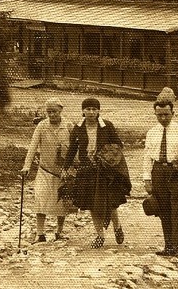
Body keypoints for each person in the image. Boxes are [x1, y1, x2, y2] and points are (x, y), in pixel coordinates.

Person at [64, 98, 131, 248]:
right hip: (86, 171)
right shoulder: (78, 128)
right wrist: (66, 167)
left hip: (106, 171)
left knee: (111, 202)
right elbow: (72, 150)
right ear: (83, 111)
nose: (91, 112)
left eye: (94, 109)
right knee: (92, 204)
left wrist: (105, 154)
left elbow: (118, 144)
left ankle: (117, 226)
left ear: (99, 111)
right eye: (88, 109)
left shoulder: (107, 126)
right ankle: (99, 235)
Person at [142, 87, 178, 259]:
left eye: (166, 114)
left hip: (176, 173)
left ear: (173, 112)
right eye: (159, 115)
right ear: (155, 114)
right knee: (163, 210)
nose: (163, 118)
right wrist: (146, 178)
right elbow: (147, 156)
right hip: (158, 172)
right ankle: (169, 246)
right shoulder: (152, 132)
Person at [21, 98, 74, 243]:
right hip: (44, 169)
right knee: (40, 198)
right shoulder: (42, 126)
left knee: (62, 202)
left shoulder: (69, 126)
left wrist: (73, 167)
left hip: (63, 171)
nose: (51, 115)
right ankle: (40, 233)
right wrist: (27, 165)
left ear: (61, 111)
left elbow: (76, 148)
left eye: (54, 112)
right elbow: (32, 146)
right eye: (49, 112)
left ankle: (59, 231)